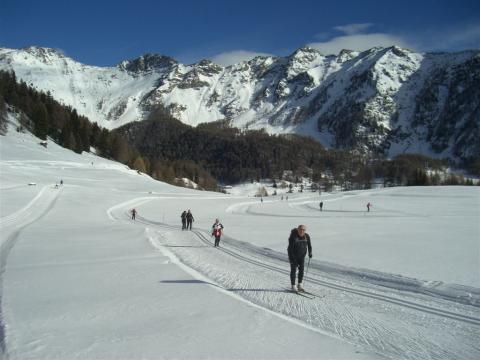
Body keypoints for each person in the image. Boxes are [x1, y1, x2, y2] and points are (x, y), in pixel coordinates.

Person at [287, 225, 312, 292]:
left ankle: (300, 284)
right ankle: (293, 285)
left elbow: (309, 245)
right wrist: (291, 258)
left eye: (303, 230)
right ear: (298, 229)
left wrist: (310, 253)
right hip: (294, 257)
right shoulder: (293, 237)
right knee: (293, 271)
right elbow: (289, 249)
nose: (302, 231)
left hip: (302, 257)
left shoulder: (307, 236)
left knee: (301, 270)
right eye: (300, 229)